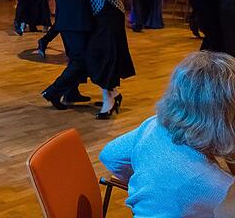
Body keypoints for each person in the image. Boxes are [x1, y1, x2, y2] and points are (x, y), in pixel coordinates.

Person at [100, 51, 235, 217]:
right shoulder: (216, 186)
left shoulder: (153, 125)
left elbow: (110, 156)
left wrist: (148, 186)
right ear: (225, 116)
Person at [65, 0, 135, 118]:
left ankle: (109, 100)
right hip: (103, 17)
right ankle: (113, 94)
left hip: (110, 18)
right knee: (101, 56)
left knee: (103, 56)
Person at [41, 0, 93, 110]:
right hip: (78, 17)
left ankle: (71, 92)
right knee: (81, 59)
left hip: (64, 16)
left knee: (74, 57)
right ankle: (54, 91)